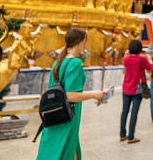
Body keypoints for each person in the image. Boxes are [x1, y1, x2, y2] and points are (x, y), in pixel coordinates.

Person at [37, 28, 105, 160]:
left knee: (64, 145)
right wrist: (94, 95)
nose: (85, 43)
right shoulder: (75, 63)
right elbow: (71, 95)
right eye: (85, 40)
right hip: (69, 113)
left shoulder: (58, 61)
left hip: (56, 111)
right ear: (79, 42)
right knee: (67, 146)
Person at [120, 40, 153, 144]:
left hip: (126, 88)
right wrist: (150, 59)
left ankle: (122, 134)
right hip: (137, 90)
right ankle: (131, 136)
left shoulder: (125, 59)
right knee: (134, 113)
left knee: (124, 112)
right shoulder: (141, 60)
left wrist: (127, 53)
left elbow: (125, 56)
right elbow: (151, 68)